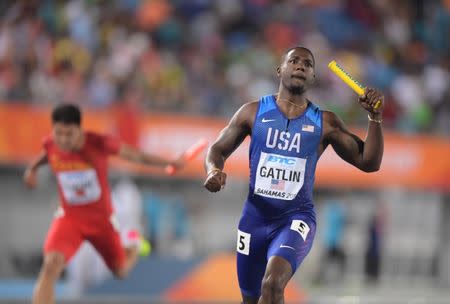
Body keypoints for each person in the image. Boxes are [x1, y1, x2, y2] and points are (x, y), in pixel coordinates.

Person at [203, 46, 384, 304]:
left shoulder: (326, 122)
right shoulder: (252, 112)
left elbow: (369, 162)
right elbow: (217, 150)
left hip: (295, 220)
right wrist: (214, 170)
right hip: (254, 220)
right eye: (294, 61)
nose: (300, 66)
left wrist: (374, 118)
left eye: (308, 64)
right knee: (251, 299)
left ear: (313, 77)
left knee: (273, 283)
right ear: (280, 70)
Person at [23, 104, 183, 304]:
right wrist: (32, 170)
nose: (63, 140)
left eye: (69, 134)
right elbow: (47, 154)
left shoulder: (99, 143)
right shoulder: (51, 144)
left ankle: (133, 243)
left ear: (80, 130)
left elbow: (136, 155)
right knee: (50, 265)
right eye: (59, 134)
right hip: (70, 218)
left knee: (121, 271)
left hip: (102, 222)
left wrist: (168, 163)